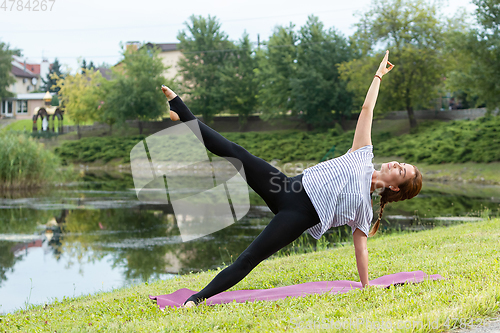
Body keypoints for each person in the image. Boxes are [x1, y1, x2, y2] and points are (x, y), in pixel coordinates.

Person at [160, 50, 422, 308]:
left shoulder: (365, 209)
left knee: (249, 258)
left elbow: (360, 249)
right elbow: (368, 109)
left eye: (401, 171)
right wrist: (377, 76)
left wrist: (366, 286)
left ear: (394, 186)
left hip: (297, 216)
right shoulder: (363, 154)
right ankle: (183, 114)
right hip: (285, 186)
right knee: (236, 152)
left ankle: (195, 299)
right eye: (401, 163)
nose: (397, 164)